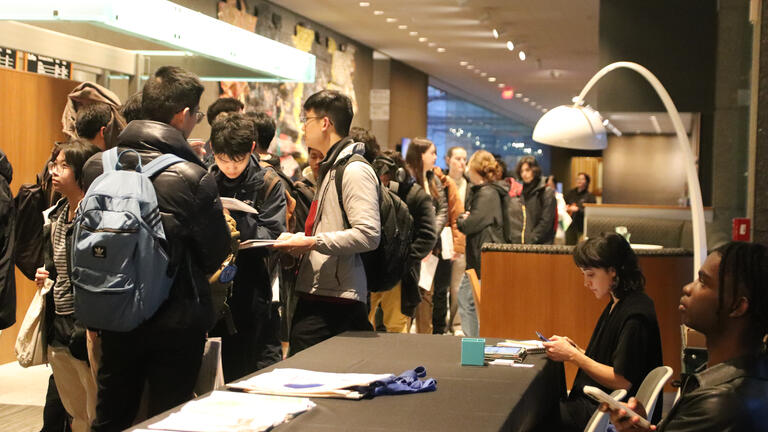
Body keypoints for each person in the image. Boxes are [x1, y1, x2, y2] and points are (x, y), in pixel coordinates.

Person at [81, 66, 231, 431]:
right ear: (183, 115)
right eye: (196, 115)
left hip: (113, 311)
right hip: (175, 322)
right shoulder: (192, 177)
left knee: (112, 414)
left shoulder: (97, 165)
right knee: (169, 418)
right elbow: (214, 253)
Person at [604, 241, 768, 432]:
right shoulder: (752, 373)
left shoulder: (717, 405)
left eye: (703, 282)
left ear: (737, 306)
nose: (688, 288)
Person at [273, 90, 379, 355]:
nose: (303, 128)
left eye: (306, 120)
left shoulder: (354, 169)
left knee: (304, 373)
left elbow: (368, 234)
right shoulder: (331, 166)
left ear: (324, 123)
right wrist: (300, 240)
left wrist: (312, 242)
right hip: (322, 290)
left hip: (337, 297)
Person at [543, 232, 663, 432]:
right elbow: (611, 361)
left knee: (538, 414)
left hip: (607, 412)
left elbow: (621, 380)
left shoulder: (635, 314)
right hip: (597, 405)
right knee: (542, 405)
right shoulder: (619, 302)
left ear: (613, 271)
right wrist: (576, 350)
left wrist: (573, 356)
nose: (586, 283)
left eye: (591, 274)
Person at [208, 113, 286, 380]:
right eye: (222, 158)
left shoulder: (268, 182)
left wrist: (238, 225)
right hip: (212, 279)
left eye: (237, 159)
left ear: (252, 148)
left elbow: (273, 234)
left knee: (248, 363)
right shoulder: (206, 177)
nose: (230, 166)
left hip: (251, 280)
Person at [34, 140, 101, 432]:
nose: (55, 172)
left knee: (95, 406)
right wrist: (44, 274)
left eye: (64, 166)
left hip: (85, 324)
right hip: (58, 321)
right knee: (74, 410)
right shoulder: (56, 216)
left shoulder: (95, 216)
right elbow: (58, 268)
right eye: (54, 165)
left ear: (82, 172)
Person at [405, 138, 448, 334]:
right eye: (432, 152)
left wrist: (431, 234)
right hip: (410, 248)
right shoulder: (405, 177)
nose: (435, 157)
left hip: (431, 247)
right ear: (420, 154)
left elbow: (443, 210)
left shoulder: (434, 179)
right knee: (405, 299)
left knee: (426, 297)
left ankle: (425, 339)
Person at [457, 150, 507, 282]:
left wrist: (461, 218)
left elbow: (468, 225)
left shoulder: (486, 194)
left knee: (468, 299)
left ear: (475, 169)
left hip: (483, 259)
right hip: (484, 257)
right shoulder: (490, 191)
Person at [445, 146, 468, 333]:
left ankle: (456, 323)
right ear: (448, 160)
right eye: (458, 158)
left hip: (462, 242)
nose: (462, 163)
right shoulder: (440, 182)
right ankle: (440, 322)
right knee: (438, 287)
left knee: (458, 285)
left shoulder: (470, 186)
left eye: (464, 159)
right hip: (443, 240)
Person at [515, 156, 556, 244]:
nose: (524, 174)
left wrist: (531, 239)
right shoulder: (523, 192)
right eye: (522, 171)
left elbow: (546, 221)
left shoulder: (546, 191)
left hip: (542, 244)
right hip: (526, 242)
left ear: (535, 170)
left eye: (527, 170)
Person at [564, 172, 596, 245]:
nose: (579, 181)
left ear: (587, 182)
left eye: (582, 179)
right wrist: (566, 207)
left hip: (582, 226)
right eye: (578, 179)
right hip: (570, 224)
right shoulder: (570, 193)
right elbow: (564, 204)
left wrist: (578, 209)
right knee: (569, 246)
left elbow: (591, 212)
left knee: (581, 246)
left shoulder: (590, 196)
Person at [546, 174, 572, 245]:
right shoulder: (544, 197)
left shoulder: (559, 197)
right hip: (546, 231)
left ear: (554, 185)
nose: (548, 186)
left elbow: (561, 213)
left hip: (558, 230)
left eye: (550, 184)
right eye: (547, 184)